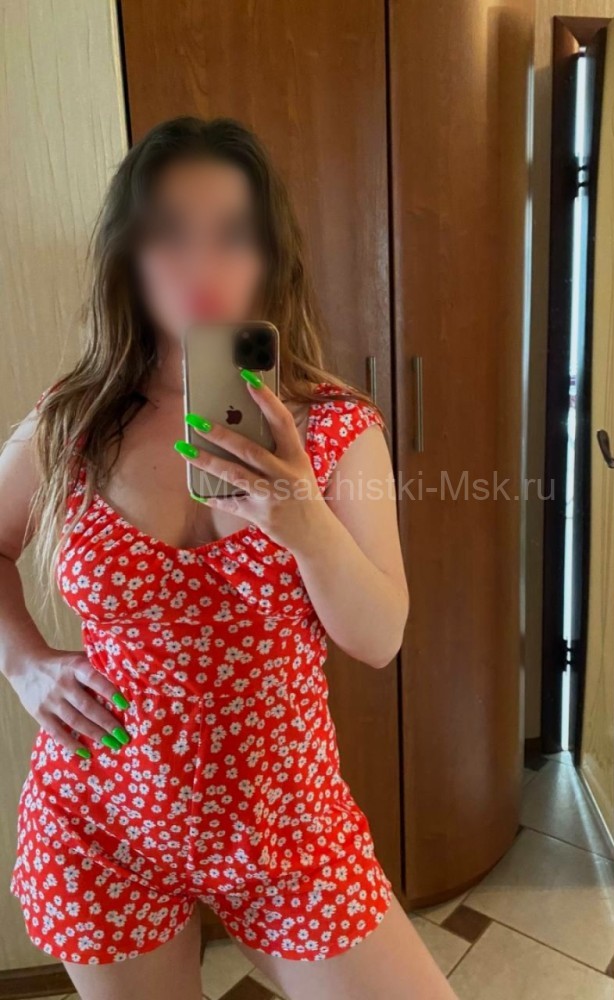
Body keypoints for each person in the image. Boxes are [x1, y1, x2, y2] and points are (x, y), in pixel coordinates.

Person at [0, 117, 457, 1000]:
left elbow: (380, 637)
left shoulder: (335, 429)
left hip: (289, 829)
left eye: (233, 235)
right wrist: (24, 664)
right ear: (130, 255)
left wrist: (304, 521)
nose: (201, 264)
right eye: (171, 233)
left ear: (269, 257)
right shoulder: (75, 421)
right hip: (103, 821)